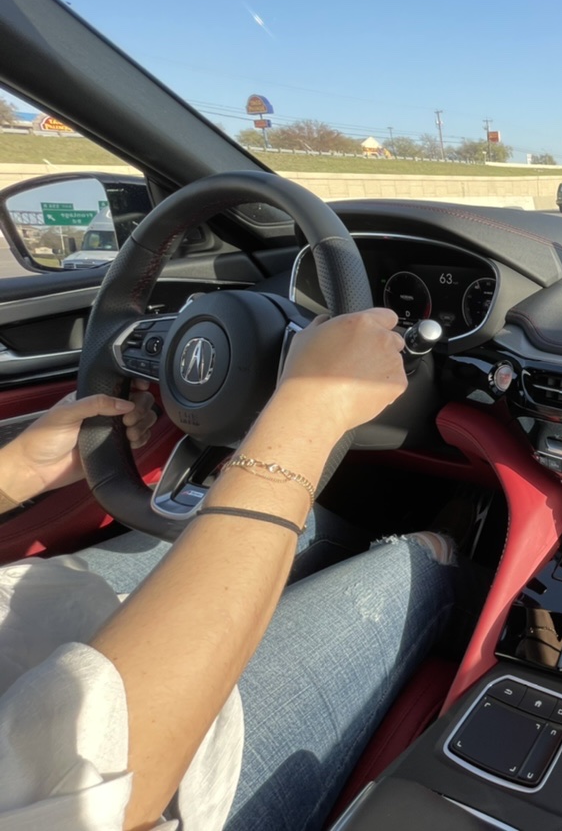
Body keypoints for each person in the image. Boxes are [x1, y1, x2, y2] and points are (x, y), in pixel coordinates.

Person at [0, 308, 461, 831]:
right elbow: (99, 781)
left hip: (33, 633)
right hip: (133, 787)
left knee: (303, 522)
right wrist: (311, 405)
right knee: (420, 560)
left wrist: (18, 470)